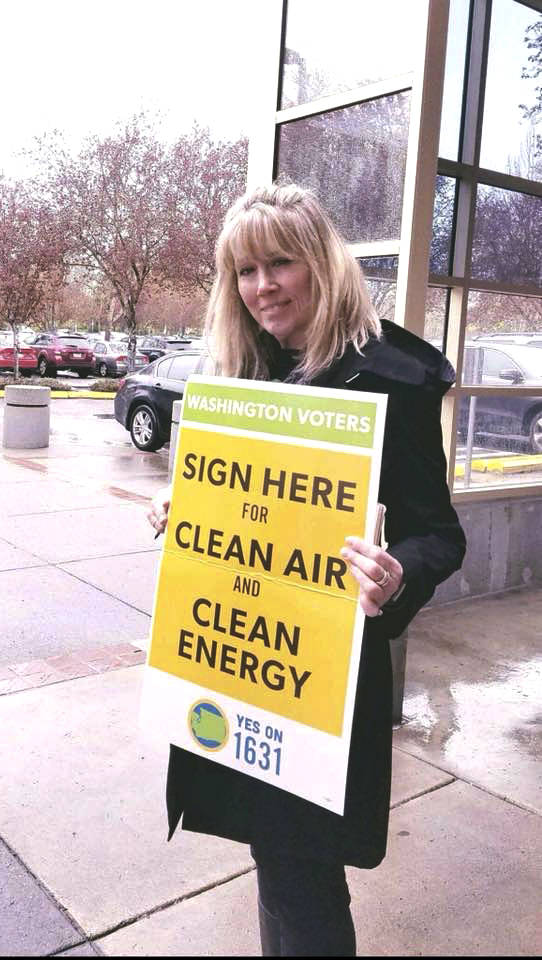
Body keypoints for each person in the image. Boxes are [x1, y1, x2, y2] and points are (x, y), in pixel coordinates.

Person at [147, 183, 466, 956]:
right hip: (242, 662)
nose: (262, 287)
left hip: (325, 680)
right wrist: (188, 509)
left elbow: (438, 535)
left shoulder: (390, 377)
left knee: (301, 870)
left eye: (280, 263)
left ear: (322, 262)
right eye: (245, 270)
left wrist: (396, 573)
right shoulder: (242, 376)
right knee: (276, 855)